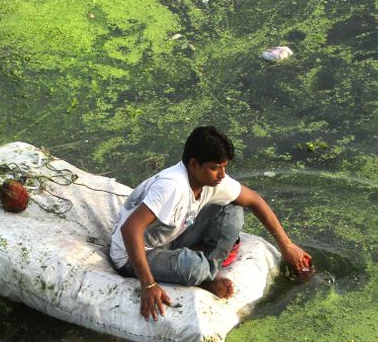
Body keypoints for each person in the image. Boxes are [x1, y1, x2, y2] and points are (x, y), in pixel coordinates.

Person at [109, 126, 312, 321]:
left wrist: (287, 246)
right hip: (134, 254)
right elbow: (131, 229)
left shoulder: (214, 181)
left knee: (232, 209)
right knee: (192, 267)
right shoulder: (172, 187)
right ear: (194, 164)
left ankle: (208, 272)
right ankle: (203, 276)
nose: (222, 175)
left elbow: (254, 200)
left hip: (171, 236)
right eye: (214, 168)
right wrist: (149, 285)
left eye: (224, 167)